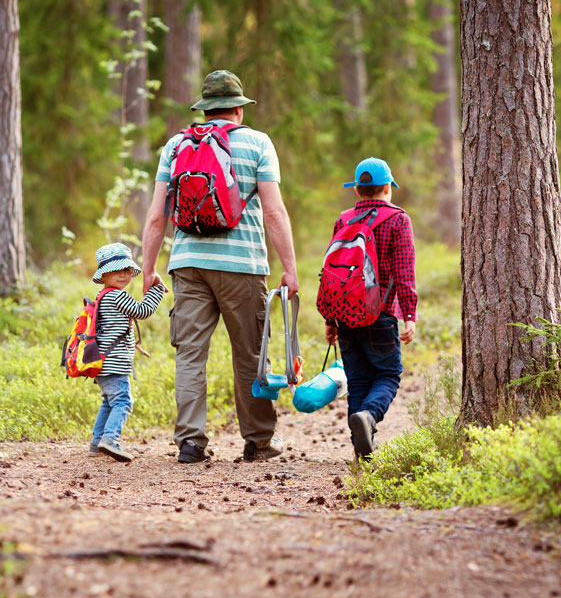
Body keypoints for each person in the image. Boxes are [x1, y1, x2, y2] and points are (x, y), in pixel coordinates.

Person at [141, 69, 298, 464]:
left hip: (188, 264)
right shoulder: (258, 143)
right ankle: (259, 441)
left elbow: (157, 216)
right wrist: (290, 268)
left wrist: (149, 269)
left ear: (205, 109)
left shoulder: (176, 145)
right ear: (238, 111)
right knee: (249, 354)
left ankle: (191, 443)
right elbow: (274, 212)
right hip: (242, 266)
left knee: (190, 354)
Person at [324, 158, 417, 459]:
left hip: (345, 315)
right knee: (389, 375)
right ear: (388, 188)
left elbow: (332, 273)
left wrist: (330, 319)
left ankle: (361, 449)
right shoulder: (398, 219)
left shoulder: (343, 219)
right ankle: (370, 417)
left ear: (357, 191)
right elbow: (404, 272)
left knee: (359, 380)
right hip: (382, 314)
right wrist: (410, 316)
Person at [88, 243, 166, 462]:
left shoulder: (102, 295)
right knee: (123, 401)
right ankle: (110, 439)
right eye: (116, 271)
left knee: (109, 401)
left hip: (103, 363)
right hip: (115, 363)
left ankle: (97, 442)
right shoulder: (116, 296)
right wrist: (157, 289)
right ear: (104, 274)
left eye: (126, 270)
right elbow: (143, 311)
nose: (122, 275)